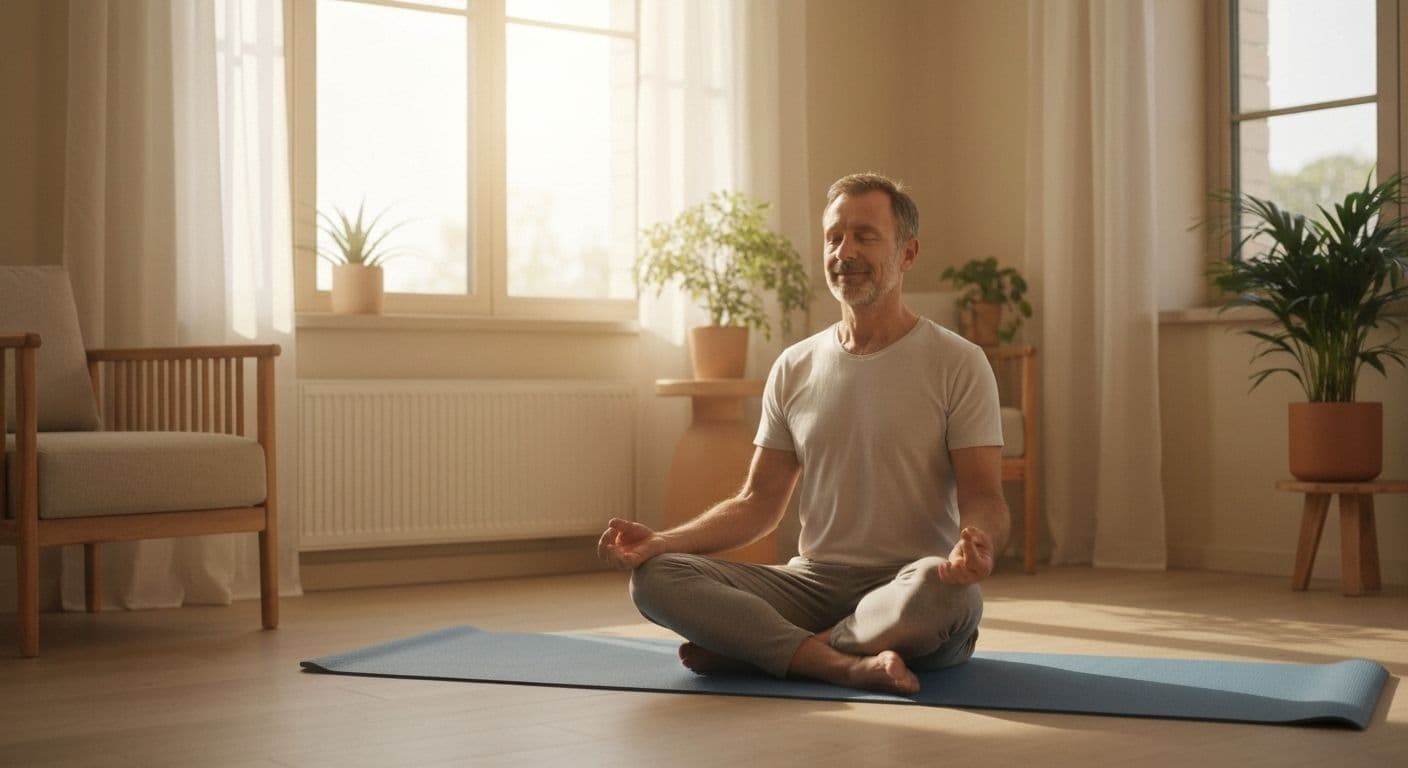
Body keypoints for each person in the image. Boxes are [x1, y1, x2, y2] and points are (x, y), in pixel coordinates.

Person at [597, 172, 1009, 695]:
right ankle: (839, 662)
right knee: (655, 579)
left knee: (949, 598)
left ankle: (773, 649)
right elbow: (757, 503)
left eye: (865, 236)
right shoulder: (794, 366)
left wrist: (981, 545)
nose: (844, 251)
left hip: (910, 587)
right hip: (812, 582)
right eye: (834, 237)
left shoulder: (959, 363)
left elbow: (984, 497)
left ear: (907, 254)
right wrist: (660, 542)